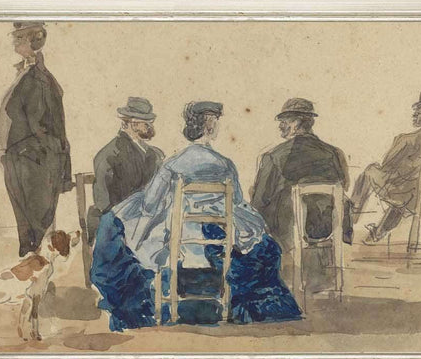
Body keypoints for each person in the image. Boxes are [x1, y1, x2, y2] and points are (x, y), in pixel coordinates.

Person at [89, 101, 301, 330]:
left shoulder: (173, 163)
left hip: (180, 238)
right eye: (216, 123)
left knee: (118, 228)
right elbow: (236, 202)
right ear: (210, 126)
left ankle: (152, 306)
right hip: (218, 236)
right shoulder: (226, 164)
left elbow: (149, 205)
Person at [0, 21, 73, 257]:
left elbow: (42, 125)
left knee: (35, 227)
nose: (14, 41)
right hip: (20, 159)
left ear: (34, 41)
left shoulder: (39, 78)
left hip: (33, 162)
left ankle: (37, 273)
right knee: (27, 226)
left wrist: (26, 152)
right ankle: (30, 269)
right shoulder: (27, 73)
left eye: (19, 38)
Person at [250, 97, 353, 262]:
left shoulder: (274, 156)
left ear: (297, 122)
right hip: (328, 225)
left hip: (289, 229)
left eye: (284, 121)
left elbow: (259, 201)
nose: (280, 126)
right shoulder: (335, 153)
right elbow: (344, 186)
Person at [350, 90, 421, 243]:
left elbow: (387, 165)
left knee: (371, 170)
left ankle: (351, 216)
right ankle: (377, 234)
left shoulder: (407, 139)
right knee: (404, 193)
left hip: (408, 198)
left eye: (418, 111)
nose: (414, 114)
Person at [87, 97, 166, 244]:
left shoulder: (154, 155)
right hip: (119, 222)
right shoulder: (109, 154)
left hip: (147, 220)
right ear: (133, 123)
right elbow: (102, 201)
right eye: (146, 123)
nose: (150, 127)